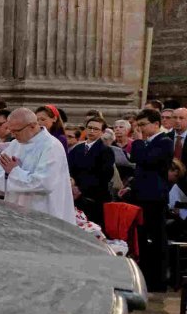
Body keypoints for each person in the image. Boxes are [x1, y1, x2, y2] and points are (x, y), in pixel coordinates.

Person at [0, 108, 75, 225]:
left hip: (43, 211)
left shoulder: (51, 146)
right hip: (15, 208)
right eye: (11, 130)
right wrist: (9, 174)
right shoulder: (15, 144)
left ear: (33, 126)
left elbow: (45, 183)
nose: (12, 135)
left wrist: (13, 172)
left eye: (16, 131)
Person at [125, 108, 174, 291]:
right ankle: (144, 276)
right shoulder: (147, 142)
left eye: (143, 125)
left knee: (156, 239)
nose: (140, 129)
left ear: (156, 124)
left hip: (154, 197)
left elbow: (143, 159)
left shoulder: (164, 142)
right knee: (142, 238)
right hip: (142, 196)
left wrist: (137, 141)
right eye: (138, 126)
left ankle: (157, 280)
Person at [67, 116, 114, 226]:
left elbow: (104, 175)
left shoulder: (106, 150)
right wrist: (71, 182)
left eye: (96, 129)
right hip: (74, 195)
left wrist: (80, 188)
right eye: (89, 128)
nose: (91, 131)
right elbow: (68, 168)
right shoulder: (77, 148)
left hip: (93, 198)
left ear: (102, 132)